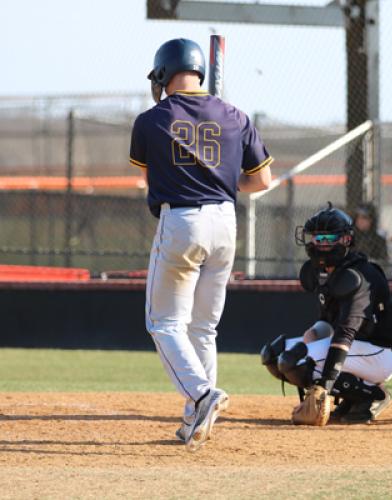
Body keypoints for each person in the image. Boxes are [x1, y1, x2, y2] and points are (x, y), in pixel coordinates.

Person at [129, 38, 273, 450]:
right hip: (226, 221)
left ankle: (201, 394)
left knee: (163, 323)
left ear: (163, 72)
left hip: (182, 220)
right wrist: (222, 181)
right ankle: (197, 415)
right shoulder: (234, 115)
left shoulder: (151, 120)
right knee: (203, 328)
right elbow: (262, 181)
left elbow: (148, 180)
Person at [261, 204, 392, 424]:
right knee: (274, 354)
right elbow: (329, 322)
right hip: (354, 348)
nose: (322, 244)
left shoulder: (359, 275)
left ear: (345, 240)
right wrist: (314, 332)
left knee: (295, 360)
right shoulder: (323, 271)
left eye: (328, 239)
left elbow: (345, 333)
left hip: (380, 352)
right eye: (318, 239)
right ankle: (351, 399)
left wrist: (324, 385)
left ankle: (372, 396)